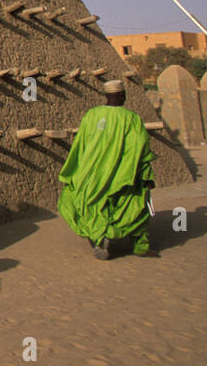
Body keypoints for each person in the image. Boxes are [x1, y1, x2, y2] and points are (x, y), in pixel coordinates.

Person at [58, 80, 158, 259]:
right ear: (121, 95)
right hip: (123, 174)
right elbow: (140, 148)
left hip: (93, 174)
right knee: (135, 206)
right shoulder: (131, 118)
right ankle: (140, 247)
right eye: (124, 94)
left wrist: (76, 170)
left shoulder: (91, 115)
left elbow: (80, 145)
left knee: (94, 207)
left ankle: (100, 237)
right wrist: (145, 175)